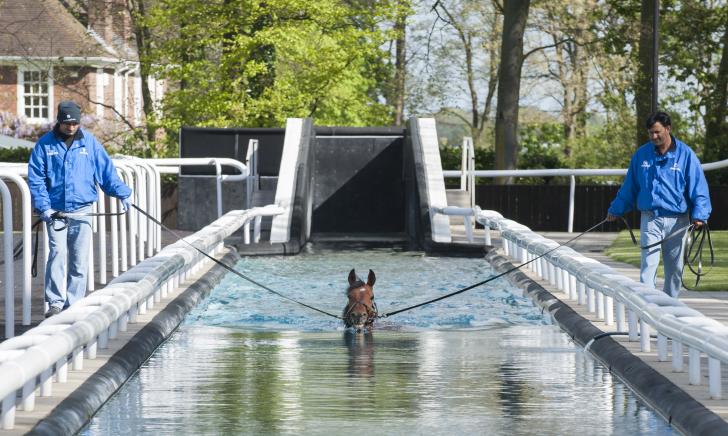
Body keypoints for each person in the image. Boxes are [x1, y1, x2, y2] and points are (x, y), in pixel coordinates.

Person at [28, 101, 132, 317]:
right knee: (57, 253)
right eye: (67, 123)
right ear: (59, 121)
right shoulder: (44, 145)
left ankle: (74, 303)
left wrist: (124, 193)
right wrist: (44, 207)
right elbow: (36, 178)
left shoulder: (90, 144)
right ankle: (55, 302)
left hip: (83, 209)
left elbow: (106, 174)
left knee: (79, 258)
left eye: (75, 123)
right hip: (55, 211)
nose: (71, 127)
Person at [607, 111, 712, 298]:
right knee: (648, 265)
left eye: (657, 132)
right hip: (651, 218)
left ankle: (671, 309)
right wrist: (616, 210)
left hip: (679, 221)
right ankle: (647, 308)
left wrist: (700, 215)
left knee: (674, 269)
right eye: (650, 133)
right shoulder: (641, 156)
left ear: (668, 129)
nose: (654, 137)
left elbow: (699, 188)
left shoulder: (686, 155)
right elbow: (630, 186)